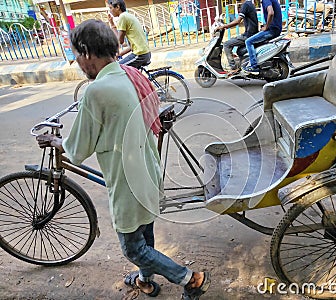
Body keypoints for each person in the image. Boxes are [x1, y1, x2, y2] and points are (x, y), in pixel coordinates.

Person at [36, 19, 210, 300]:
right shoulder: (128, 74)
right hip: (146, 170)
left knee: (132, 248)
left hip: (128, 181)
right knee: (145, 234)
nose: (78, 62)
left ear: (87, 53)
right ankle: (145, 279)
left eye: (77, 56)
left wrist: (55, 141)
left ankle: (190, 279)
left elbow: (78, 148)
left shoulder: (96, 91)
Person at [215, 0, 259, 72]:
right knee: (235, 44)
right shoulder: (250, 3)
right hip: (251, 33)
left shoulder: (245, 5)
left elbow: (237, 21)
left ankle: (233, 67)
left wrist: (224, 26)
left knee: (226, 44)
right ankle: (240, 63)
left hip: (248, 35)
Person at [107, 0, 151, 68]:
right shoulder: (128, 15)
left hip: (140, 55)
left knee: (118, 68)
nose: (110, 11)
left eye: (110, 8)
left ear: (117, 7)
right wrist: (119, 54)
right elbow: (131, 46)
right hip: (145, 53)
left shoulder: (122, 17)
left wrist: (112, 25)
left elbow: (120, 41)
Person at [243, 0, 282, 73]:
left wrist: (266, 27)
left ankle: (253, 66)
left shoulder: (266, 0)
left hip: (272, 30)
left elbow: (271, 13)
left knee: (248, 41)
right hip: (275, 29)